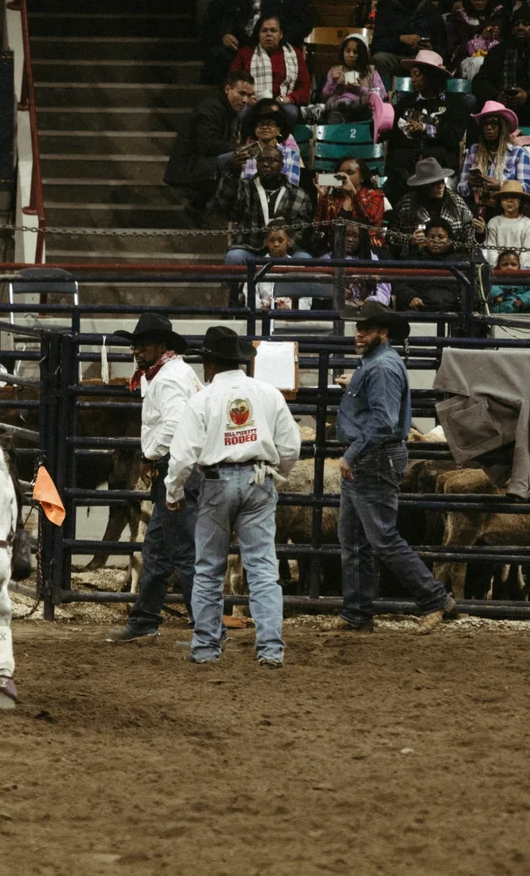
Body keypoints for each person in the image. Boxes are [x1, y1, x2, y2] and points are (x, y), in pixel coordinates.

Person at [165, 325, 298, 667]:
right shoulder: (268, 394)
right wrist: (274, 473)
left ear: (208, 363)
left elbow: (182, 455)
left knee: (209, 568)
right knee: (263, 569)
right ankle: (270, 649)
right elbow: (289, 446)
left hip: (215, 481)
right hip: (258, 479)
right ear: (240, 361)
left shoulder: (203, 399)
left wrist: (173, 490)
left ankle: (206, 647)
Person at [330, 302, 457, 634]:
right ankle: (357, 613)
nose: (358, 333)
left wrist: (352, 454)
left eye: (366, 328)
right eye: (359, 327)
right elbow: (382, 414)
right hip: (370, 458)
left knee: (380, 537)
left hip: (370, 458)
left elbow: (383, 422)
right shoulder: (377, 365)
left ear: (382, 333)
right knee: (357, 538)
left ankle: (435, 599)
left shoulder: (381, 367)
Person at [105, 313, 203, 645]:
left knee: (182, 550)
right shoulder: (174, 373)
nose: (137, 350)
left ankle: (205, 629)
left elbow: (174, 426)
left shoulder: (167, 378)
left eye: (142, 344)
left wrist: (150, 455)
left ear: (160, 345)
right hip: (179, 468)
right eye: (135, 344)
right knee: (160, 549)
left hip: (176, 468)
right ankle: (145, 620)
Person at [201, 0, 311, 84]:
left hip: (275, 45)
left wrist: (281, 38)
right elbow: (226, 17)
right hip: (241, 44)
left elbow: (304, 23)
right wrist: (225, 33)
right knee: (216, 54)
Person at [164, 71, 258, 211]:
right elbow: (207, 144)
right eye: (241, 93)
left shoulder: (231, 112)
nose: (245, 100)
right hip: (189, 169)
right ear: (227, 89)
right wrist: (237, 148)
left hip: (203, 164)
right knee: (236, 156)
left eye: (249, 95)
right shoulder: (210, 109)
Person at [384, 51, 468, 205]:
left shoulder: (455, 103)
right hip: (407, 167)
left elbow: (453, 135)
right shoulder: (406, 102)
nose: (412, 79)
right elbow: (392, 134)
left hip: (439, 164)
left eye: (417, 75)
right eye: (411, 75)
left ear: (432, 76)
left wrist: (425, 128)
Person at [216, 146, 312, 267]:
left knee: (304, 258)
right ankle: (240, 287)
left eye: (271, 160)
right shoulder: (245, 186)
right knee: (233, 257)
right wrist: (234, 172)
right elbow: (225, 201)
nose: (265, 164)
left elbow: (301, 231)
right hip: (250, 249)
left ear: (282, 166)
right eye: (261, 160)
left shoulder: (299, 194)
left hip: (285, 251)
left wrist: (279, 246)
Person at [386, 157, 478, 259]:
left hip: (451, 258)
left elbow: (469, 233)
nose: (440, 186)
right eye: (434, 183)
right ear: (423, 185)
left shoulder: (456, 201)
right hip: (418, 259)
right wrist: (410, 241)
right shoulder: (406, 205)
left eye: (442, 181)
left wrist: (478, 233)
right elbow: (392, 238)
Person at [369, 0, 448, 83]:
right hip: (395, 57)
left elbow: (443, 47)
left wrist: (431, 50)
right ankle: (385, 96)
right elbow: (377, 44)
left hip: (422, 59)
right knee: (379, 59)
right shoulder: (386, 9)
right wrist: (400, 39)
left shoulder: (432, 12)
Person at [229, 16, 311, 120]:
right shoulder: (245, 53)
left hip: (282, 104)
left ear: (281, 34)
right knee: (242, 112)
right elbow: (233, 81)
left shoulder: (295, 54)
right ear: (258, 34)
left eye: (273, 30)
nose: (269, 34)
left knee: (291, 112)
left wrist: (288, 99)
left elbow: (305, 87)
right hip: (253, 103)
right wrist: (247, 98)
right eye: (264, 31)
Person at [457, 100, 530, 206]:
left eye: (494, 123)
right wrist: (469, 184)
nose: (488, 127)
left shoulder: (518, 153)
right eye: (485, 124)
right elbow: (460, 187)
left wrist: (501, 186)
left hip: (506, 208)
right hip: (479, 205)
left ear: (503, 127)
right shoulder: (474, 151)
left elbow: (526, 187)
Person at [315, 156, 386, 248]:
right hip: (337, 247)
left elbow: (371, 219)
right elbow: (320, 227)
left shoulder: (375, 195)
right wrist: (323, 198)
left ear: (362, 177)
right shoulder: (333, 198)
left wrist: (353, 192)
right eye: (341, 173)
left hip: (368, 247)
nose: (344, 177)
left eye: (350, 173)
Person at [318, 34, 385, 123]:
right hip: (338, 110)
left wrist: (360, 89)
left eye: (355, 52)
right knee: (334, 116)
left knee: (362, 105)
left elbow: (381, 96)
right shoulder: (335, 70)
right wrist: (333, 82)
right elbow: (324, 96)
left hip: (362, 110)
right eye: (347, 51)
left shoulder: (371, 72)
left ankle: (320, 109)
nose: (351, 55)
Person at [236, 99, 302, 184]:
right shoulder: (247, 154)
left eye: (270, 123)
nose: (265, 127)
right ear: (255, 129)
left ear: (278, 130)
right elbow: (243, 185)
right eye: (260, 124)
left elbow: (292, 185)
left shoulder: (291, 154)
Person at [483, 180, 530, 267]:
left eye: (514, 197)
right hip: (498, 268)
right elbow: (491, 249)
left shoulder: (528, 223)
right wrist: (498, 266)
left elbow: (526, 252)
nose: (509, 201)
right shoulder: (494, 222)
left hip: (522, 269)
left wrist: (516, 267)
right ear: (500, 202)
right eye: (505, 198)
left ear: (520, 201)